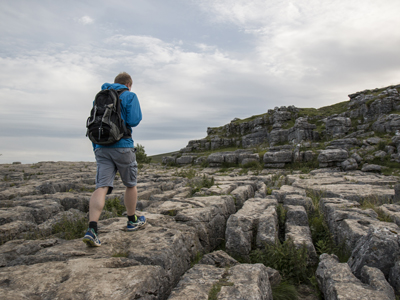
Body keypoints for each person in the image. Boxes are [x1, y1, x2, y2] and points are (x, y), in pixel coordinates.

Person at [83, 72, 146, 247]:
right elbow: (134, 120)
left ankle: (92, 229)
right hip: (123, 145)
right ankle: (132, 220)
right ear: (129, 84)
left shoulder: (101, 96)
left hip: (101, 147)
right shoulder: (129, 95)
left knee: (101, 186)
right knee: (130, 184)